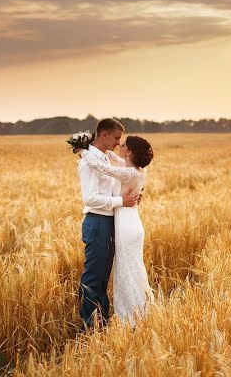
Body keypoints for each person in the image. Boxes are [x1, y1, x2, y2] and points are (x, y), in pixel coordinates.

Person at [79, 134, 153, 326]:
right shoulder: (137, 169)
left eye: (123, 143)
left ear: (129, 152)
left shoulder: (128, 172)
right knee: (132, 267)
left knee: (126, 269)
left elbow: (103, 168)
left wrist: (84, 151)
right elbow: (113, 158)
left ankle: (131, 317)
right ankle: (139, 312)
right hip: (131, 222)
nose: (120, 144)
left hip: (126, 225)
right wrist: (100, 149)